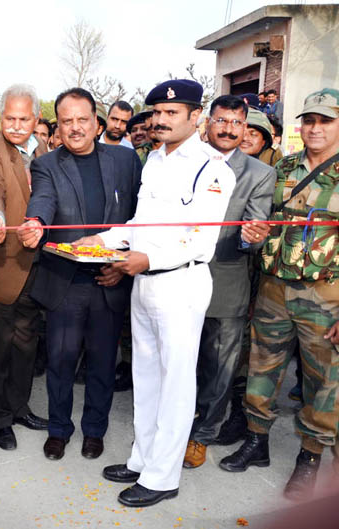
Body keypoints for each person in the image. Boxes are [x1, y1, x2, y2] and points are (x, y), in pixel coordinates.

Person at [77, 79, 236, 507]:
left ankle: (163, 476)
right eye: (158, 113)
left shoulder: (212, 168)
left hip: (180, 283)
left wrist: (146, 260)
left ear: (194, 116)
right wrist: (99, 240)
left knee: (176, 383)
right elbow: (139, 225)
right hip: (143, 284)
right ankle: (143, 458)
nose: (161, 120)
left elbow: (202, 241)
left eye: (172, 113)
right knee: (145, 378)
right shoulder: (154, 161)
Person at [219, 88, 339, 501]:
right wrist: (254, 233)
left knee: (324, 382)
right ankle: (257, 441)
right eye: (309, 120)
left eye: (325, 120)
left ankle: (309, 458)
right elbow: (261, 220)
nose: (315, 128)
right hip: (273, 286)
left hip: (327, 295)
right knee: (261, 368)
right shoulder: (283, 168)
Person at [19, 87, 142, 461]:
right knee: (60, 361)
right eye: (66, 121)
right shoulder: (46, 164)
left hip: (111, 278)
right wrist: (36, 223)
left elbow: (140, 217)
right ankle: (59, 429)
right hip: (65, 281)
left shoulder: (126, 161)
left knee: (103, 363)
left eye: (82, 120)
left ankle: (94, 430)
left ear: (96, 122)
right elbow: (43, 200)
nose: (74, 128)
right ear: (58, 125)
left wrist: (124, 264)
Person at [182, 95, 276, 469]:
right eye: (221, 120)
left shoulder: (259, 173)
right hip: (177, 277)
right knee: (178, 360)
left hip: (226, 279)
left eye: (237, 123)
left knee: (218, 368)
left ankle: (202, 435)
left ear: (245, 128)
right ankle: (173, 425)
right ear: (207, 122)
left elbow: (254, 226)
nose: (228, 129)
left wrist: (251, 238)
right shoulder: (186, 160)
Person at [0, 84, 50, 452]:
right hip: (5, 261)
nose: (17, 125)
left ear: (36, 120)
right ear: (1, 115)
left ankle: (20, 406)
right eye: (10, 117)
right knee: (1, 346)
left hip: (40, 264)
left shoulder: (45, 149)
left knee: (27, 343)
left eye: (25, 119)